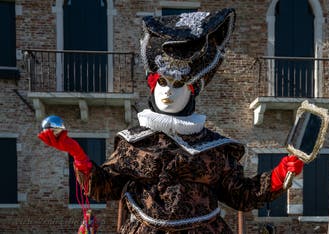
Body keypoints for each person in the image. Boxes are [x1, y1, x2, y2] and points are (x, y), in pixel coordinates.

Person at [38, 8, 303, 233]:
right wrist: (77, 154)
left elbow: (242, 195)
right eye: (162, 82)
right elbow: (105, 187)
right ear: (152, 85)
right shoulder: (133, 143)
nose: (167, 91)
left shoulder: (214, 147)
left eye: (178, 84)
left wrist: (281, 173)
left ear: (192, 90)